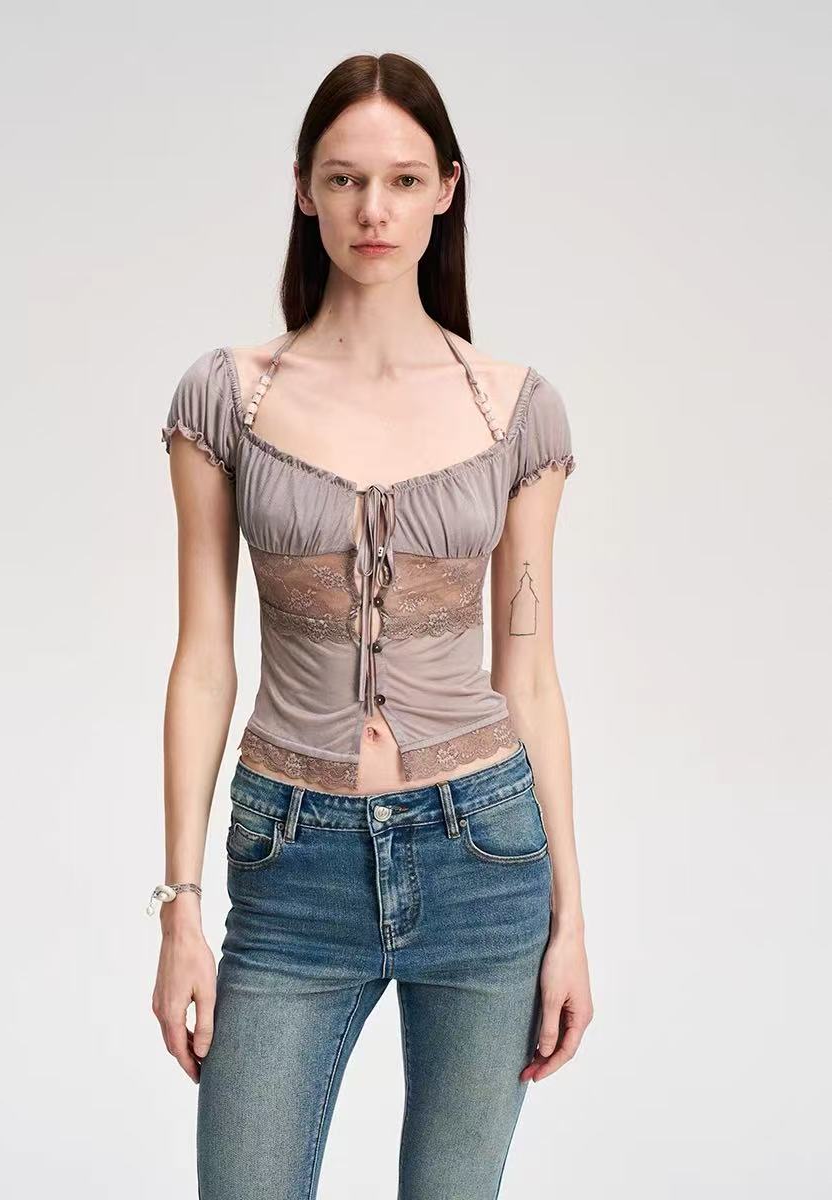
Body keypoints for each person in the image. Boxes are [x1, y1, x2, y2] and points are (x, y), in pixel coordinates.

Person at [151, 52, 593, 1200]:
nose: (373, 210)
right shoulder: (228, 397)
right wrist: (180, 909)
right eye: (345, 179)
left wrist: (572, 924)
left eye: (401, 180)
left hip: (484, 851)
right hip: (291, 857)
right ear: (304, 189)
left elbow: (529, 675)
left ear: (447, 187)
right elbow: (204, 662)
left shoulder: (515, 409)